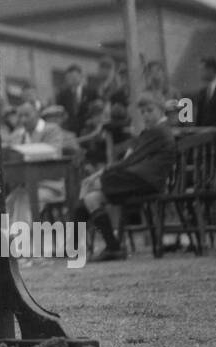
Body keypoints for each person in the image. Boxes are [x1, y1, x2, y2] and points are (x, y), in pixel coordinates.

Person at [73, 93, 177, 261]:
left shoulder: (159, 130)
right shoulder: (152, 131)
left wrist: (99, 174)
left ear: (161, 110)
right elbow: (132, 156)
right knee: (92, 198)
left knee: (95, 185)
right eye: (142, 112)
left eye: (150, 110)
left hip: (147, 181)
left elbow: (131, 160)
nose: (146, 115)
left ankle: (76, 245)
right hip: (139, 180)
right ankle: (111, 247)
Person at [56, 65, 98, 135]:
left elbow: (96, 110)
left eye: (74, 77)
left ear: (81, 76)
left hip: (88, 130)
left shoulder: (91, 92)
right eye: (70, 77)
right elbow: (60, 112)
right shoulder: (62, 95)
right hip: (70, 131)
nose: (72, 79)